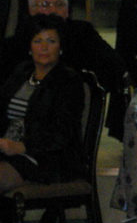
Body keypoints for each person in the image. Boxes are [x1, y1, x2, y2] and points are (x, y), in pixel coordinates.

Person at [1, 0, 126, 118]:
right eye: (45, 5)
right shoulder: (19, 40)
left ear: (66, 11)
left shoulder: (82, 34)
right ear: (31, 11)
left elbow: (114, 67)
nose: (53, 10)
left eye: (59, 5)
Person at [0, 14, 84, 197]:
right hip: (7, 150)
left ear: (61, 47)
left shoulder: (69, 81)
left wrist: (22, 146)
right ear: (30, 47)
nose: (44, 47)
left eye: (51, 41)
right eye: (38, 41)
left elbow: (63, 132)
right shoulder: (22, 72)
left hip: (46, 158)